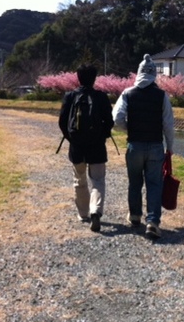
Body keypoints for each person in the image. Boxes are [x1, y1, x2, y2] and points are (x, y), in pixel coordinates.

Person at [112, 54, 175, 238]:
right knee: (154, 184)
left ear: (139, 73)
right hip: (155, 146)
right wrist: (170, 147)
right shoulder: (162, 96)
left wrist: (128, 129)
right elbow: (168, 124)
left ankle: (134, 216)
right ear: (154, 75)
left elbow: (116, 118)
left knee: (135, 182)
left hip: (134, 145)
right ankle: (153, 222)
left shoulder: (127, 93)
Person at [58, 64, 114, 232]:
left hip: (77, 147)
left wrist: (71, 138)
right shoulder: (101, 97)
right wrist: (101, 136)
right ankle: (95, 211)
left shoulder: (70, 96)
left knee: (79, 180)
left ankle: (83, 213)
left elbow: (62, 122)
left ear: (78, 77)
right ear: (94, 78)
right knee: (98, 180)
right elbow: (109, 122)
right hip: (97, 147)